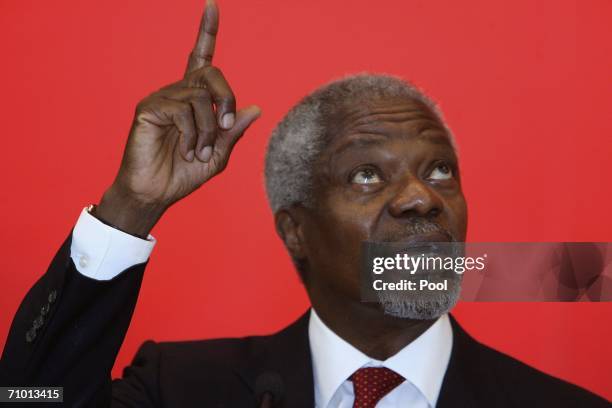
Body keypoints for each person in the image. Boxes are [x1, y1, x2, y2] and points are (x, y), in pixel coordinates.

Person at [0, 1, 608, 407]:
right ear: (294, 231)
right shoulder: (182, 388)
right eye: (368, 176)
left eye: (440, 170)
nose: (422, 198)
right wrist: (129, 208)